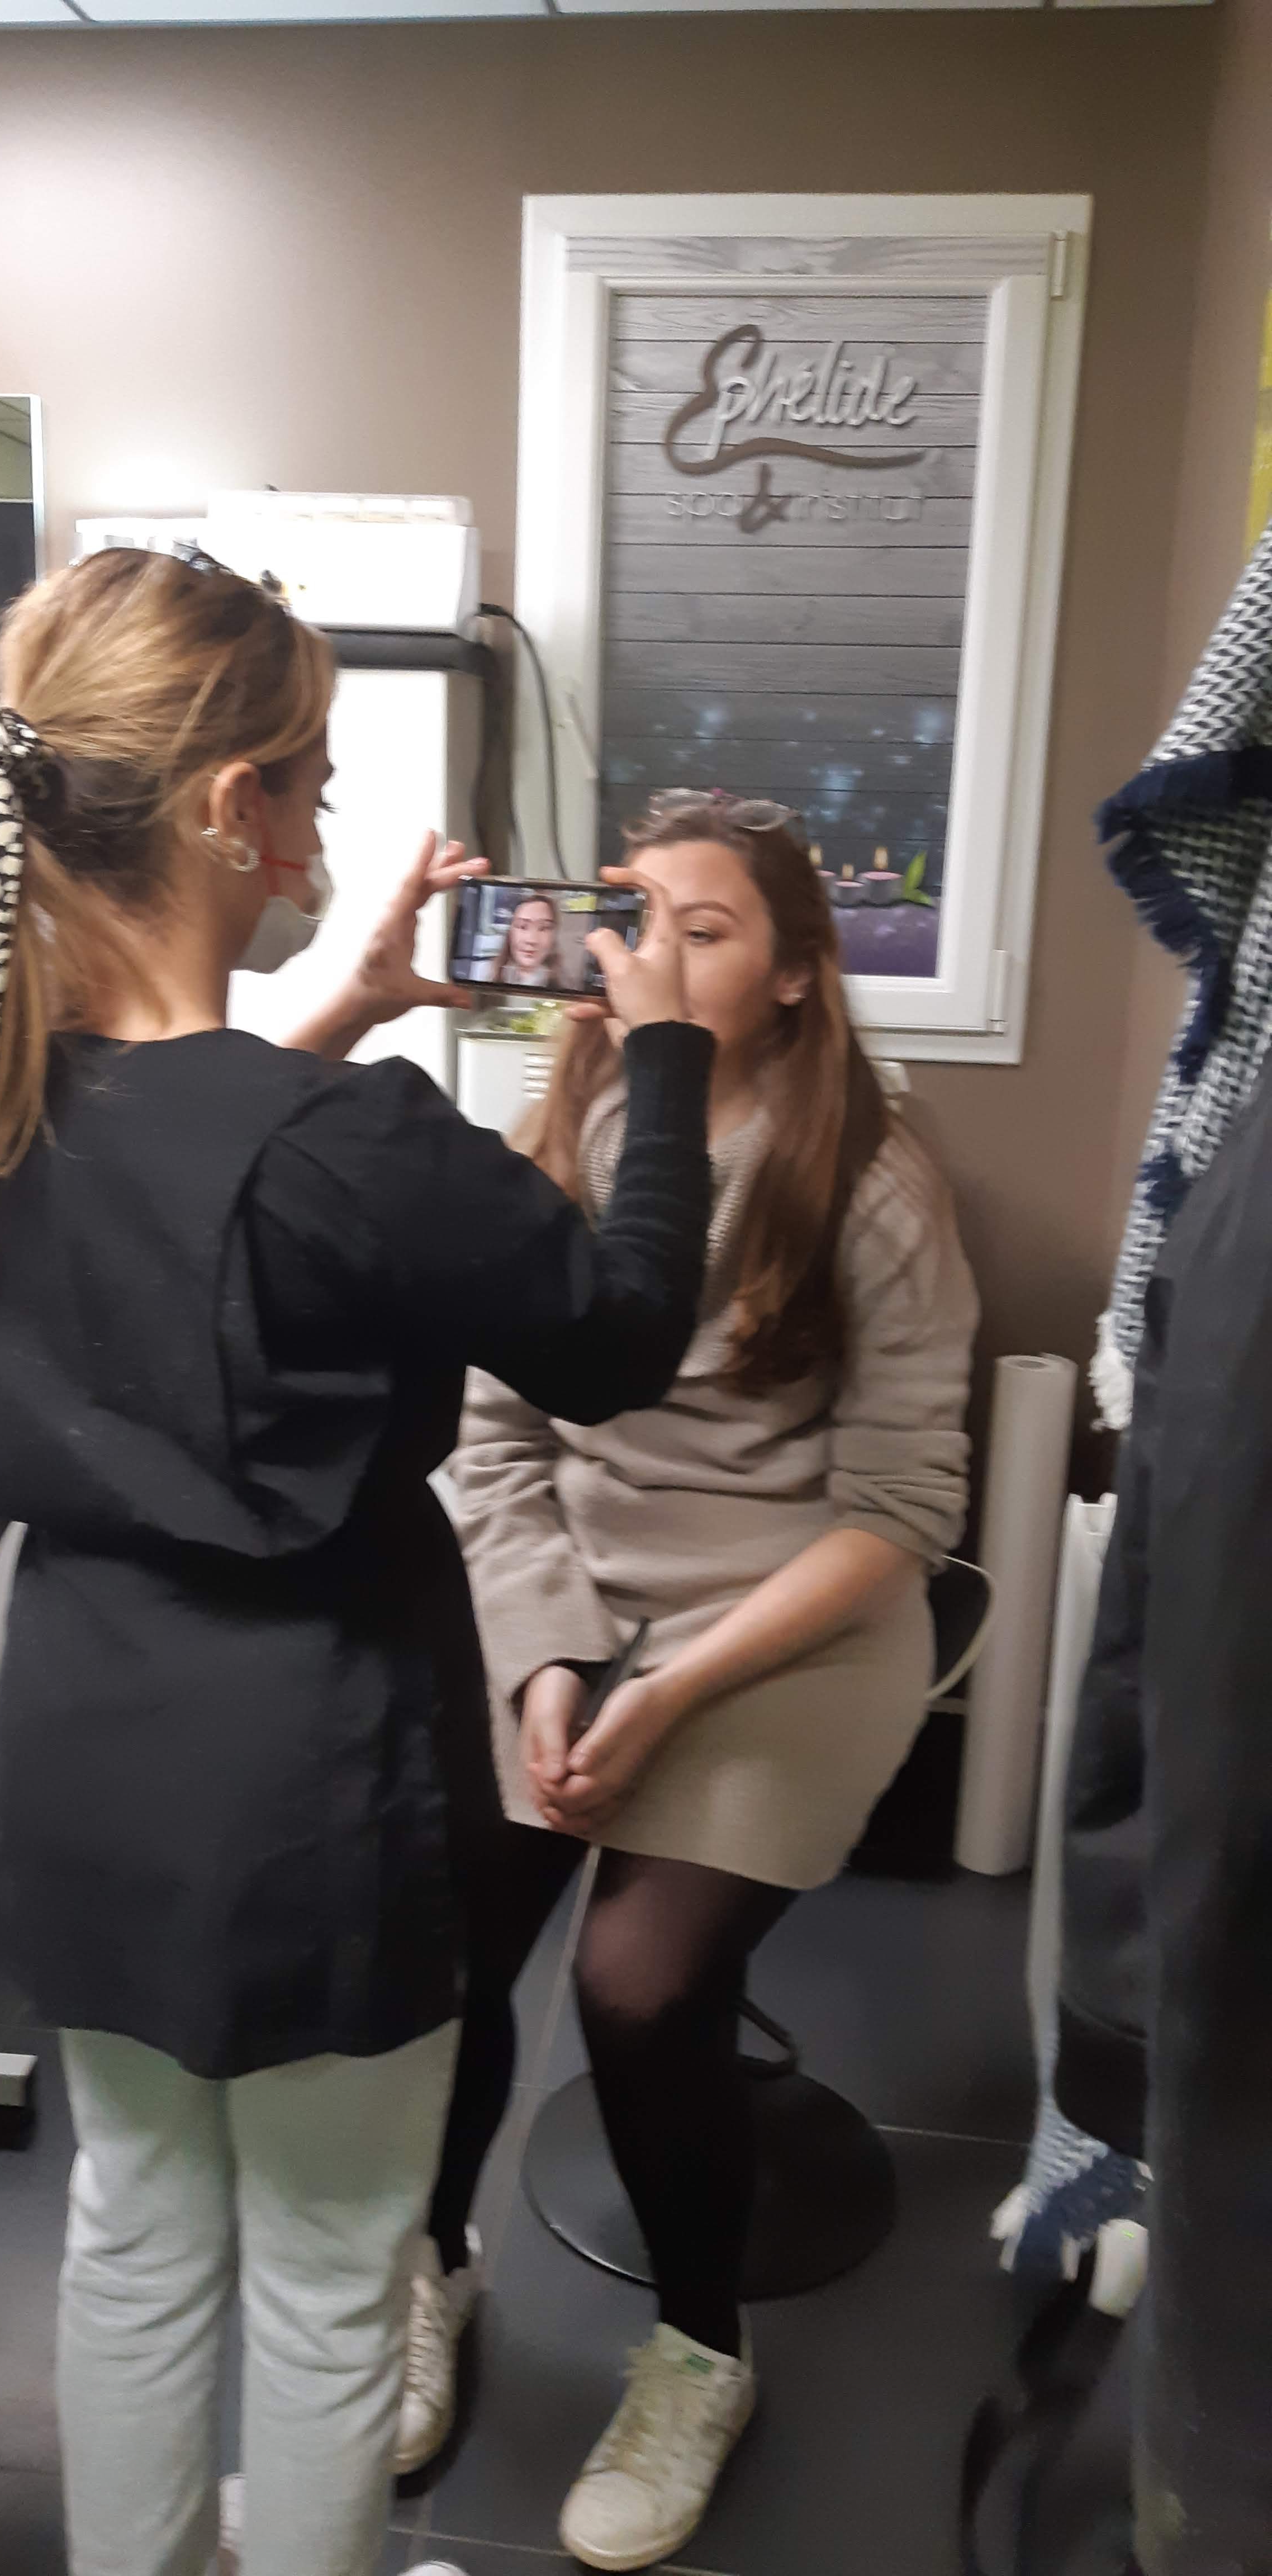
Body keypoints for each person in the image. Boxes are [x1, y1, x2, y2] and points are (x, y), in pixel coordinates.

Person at [0, 549, 715, 2576]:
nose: (328, 820)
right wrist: (670, 1057)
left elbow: (196, 1188)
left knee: (132, 2235)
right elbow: (615, 1339)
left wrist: (348, 1005)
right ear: (230, 810)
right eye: (317, 781)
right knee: (336, 2278)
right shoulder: (354, 1147)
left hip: (85, 1763)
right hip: (313, 1792)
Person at [404, 791, 979, 2573]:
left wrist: (661, 1695)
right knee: (440, 1934)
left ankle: (698, 2356)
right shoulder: (565, 1124)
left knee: (642, 1987)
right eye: (633, 916)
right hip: (574, 1587)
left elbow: (902, 1513)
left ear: (799, 975)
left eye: (702, 929)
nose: (646, 953)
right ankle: (427, 2265)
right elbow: (494, 1441)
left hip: (787, 1620)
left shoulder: (870, 1177)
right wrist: (549, 1657)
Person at [492, 888, 562, 987]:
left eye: (543, 928)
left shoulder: (564, 988)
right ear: (510, 932)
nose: (531, 940)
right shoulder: (487, 980)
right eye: (523, 927)